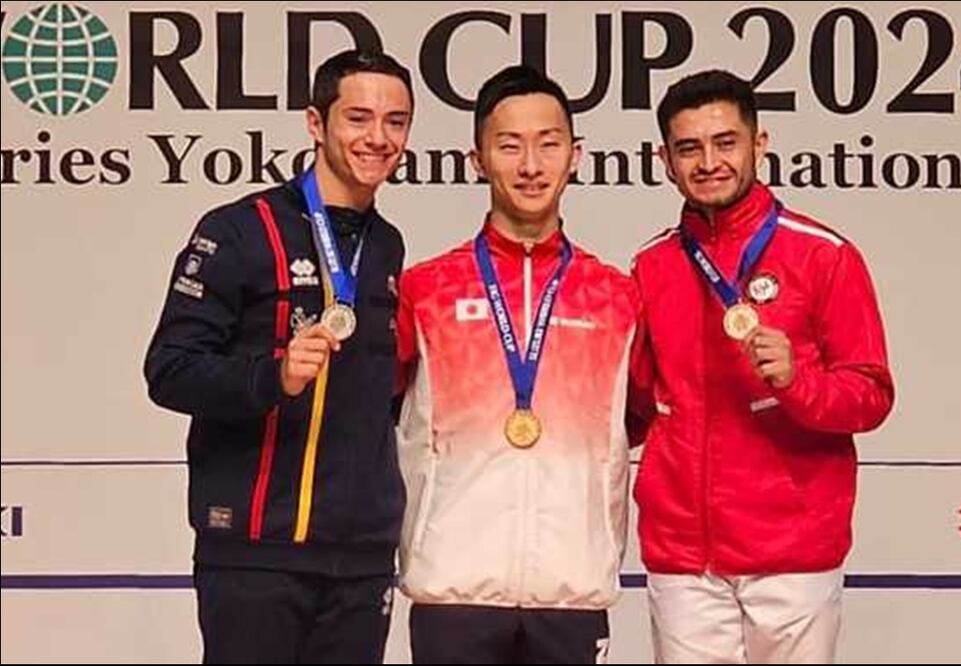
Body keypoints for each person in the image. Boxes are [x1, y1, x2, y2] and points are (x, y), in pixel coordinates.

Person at [144, 48, 413, 664]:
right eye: (359, 118)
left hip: (362, 560)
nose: (378, 138)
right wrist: (272, 376)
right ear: (316, 123)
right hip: (254, 553)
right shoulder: (239, 229)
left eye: (395, 122)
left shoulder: (387, 245)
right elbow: (169, 369)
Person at [630, 69, 895, 664]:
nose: (709, 162)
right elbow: (638, 405)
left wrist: (799, 381)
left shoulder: (824, 254)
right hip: (684, 557)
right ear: (665, 160)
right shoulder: (651, 266)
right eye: (688, 148)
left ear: (759, 143)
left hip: (793, 551)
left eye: (725, 142)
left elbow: (871, 394)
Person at [394, 65, 639, 665]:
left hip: (572, 588)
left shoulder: (618, 297)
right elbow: (380, 413)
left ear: (575, 156)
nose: (531, 165)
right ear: (477, 159)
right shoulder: (426, 290)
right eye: (509, 146)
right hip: (452, 585)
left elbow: (640, 418)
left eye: (548, 144)